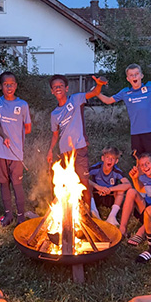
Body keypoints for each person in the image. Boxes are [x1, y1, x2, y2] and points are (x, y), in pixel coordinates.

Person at [47, 74, 106, 205]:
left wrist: (99, 84)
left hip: (79, 148)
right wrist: (50, 150)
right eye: (55, 87)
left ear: (66, 88)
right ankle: (72, 213)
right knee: (68, 183)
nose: (58, 88)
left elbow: (94, 92)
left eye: (61, 86)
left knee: (84, 181)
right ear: (52, 91)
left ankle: (88, 214)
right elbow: (55, 135)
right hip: (64, 151)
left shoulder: (76, 99)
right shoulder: (54, 114)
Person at [95, 64, 151, 155]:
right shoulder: (125, 92)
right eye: (131, 75)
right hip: (136, 134)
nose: (134, 76)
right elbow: (108, 100)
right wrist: (96, 92)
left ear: (141, 76)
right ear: (128, 79)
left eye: (136, 74)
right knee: (139, 162)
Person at [0, 71, 32, 227]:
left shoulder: (22, 105)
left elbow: (27, 127)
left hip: (16, 153)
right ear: (1, 86)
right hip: (0, 151)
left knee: (17, 184)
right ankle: (8, 215)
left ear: (16, 85)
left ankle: (21, 216)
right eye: (6, 84)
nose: (9, 87)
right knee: (3, 183)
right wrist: (4, 135)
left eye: (12, 84)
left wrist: (16, 137)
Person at [89, 147, 131, 226]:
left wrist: (110, 189)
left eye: (113, 158)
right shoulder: (97, 168)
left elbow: (128, 185)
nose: (109, 160)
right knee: (87, 186)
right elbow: (82, 178)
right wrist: (98, 187)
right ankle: (94, 211)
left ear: (116, 161)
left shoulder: (116, 171)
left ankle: (112, 216)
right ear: (102, 158)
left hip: (110, 196)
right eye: (107, 157)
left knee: (120, 190)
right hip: (96, 194)